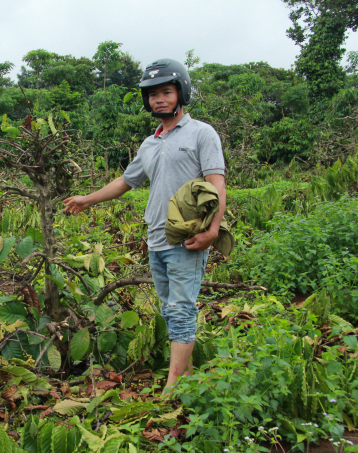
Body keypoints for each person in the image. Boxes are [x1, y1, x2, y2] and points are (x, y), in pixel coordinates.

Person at [63, 58, 226, 389]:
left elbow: (216, 183)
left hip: (186, 240)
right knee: (170, 310)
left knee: (181, 311)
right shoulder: (150, 144)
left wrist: (212, 231)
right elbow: (126, 181)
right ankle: (187, 375)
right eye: (153, 95)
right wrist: (87, 199)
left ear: (182, 92)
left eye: (166, 92)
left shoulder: (201, 133)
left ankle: (174, 388)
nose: (159, 100)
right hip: (155, 241)